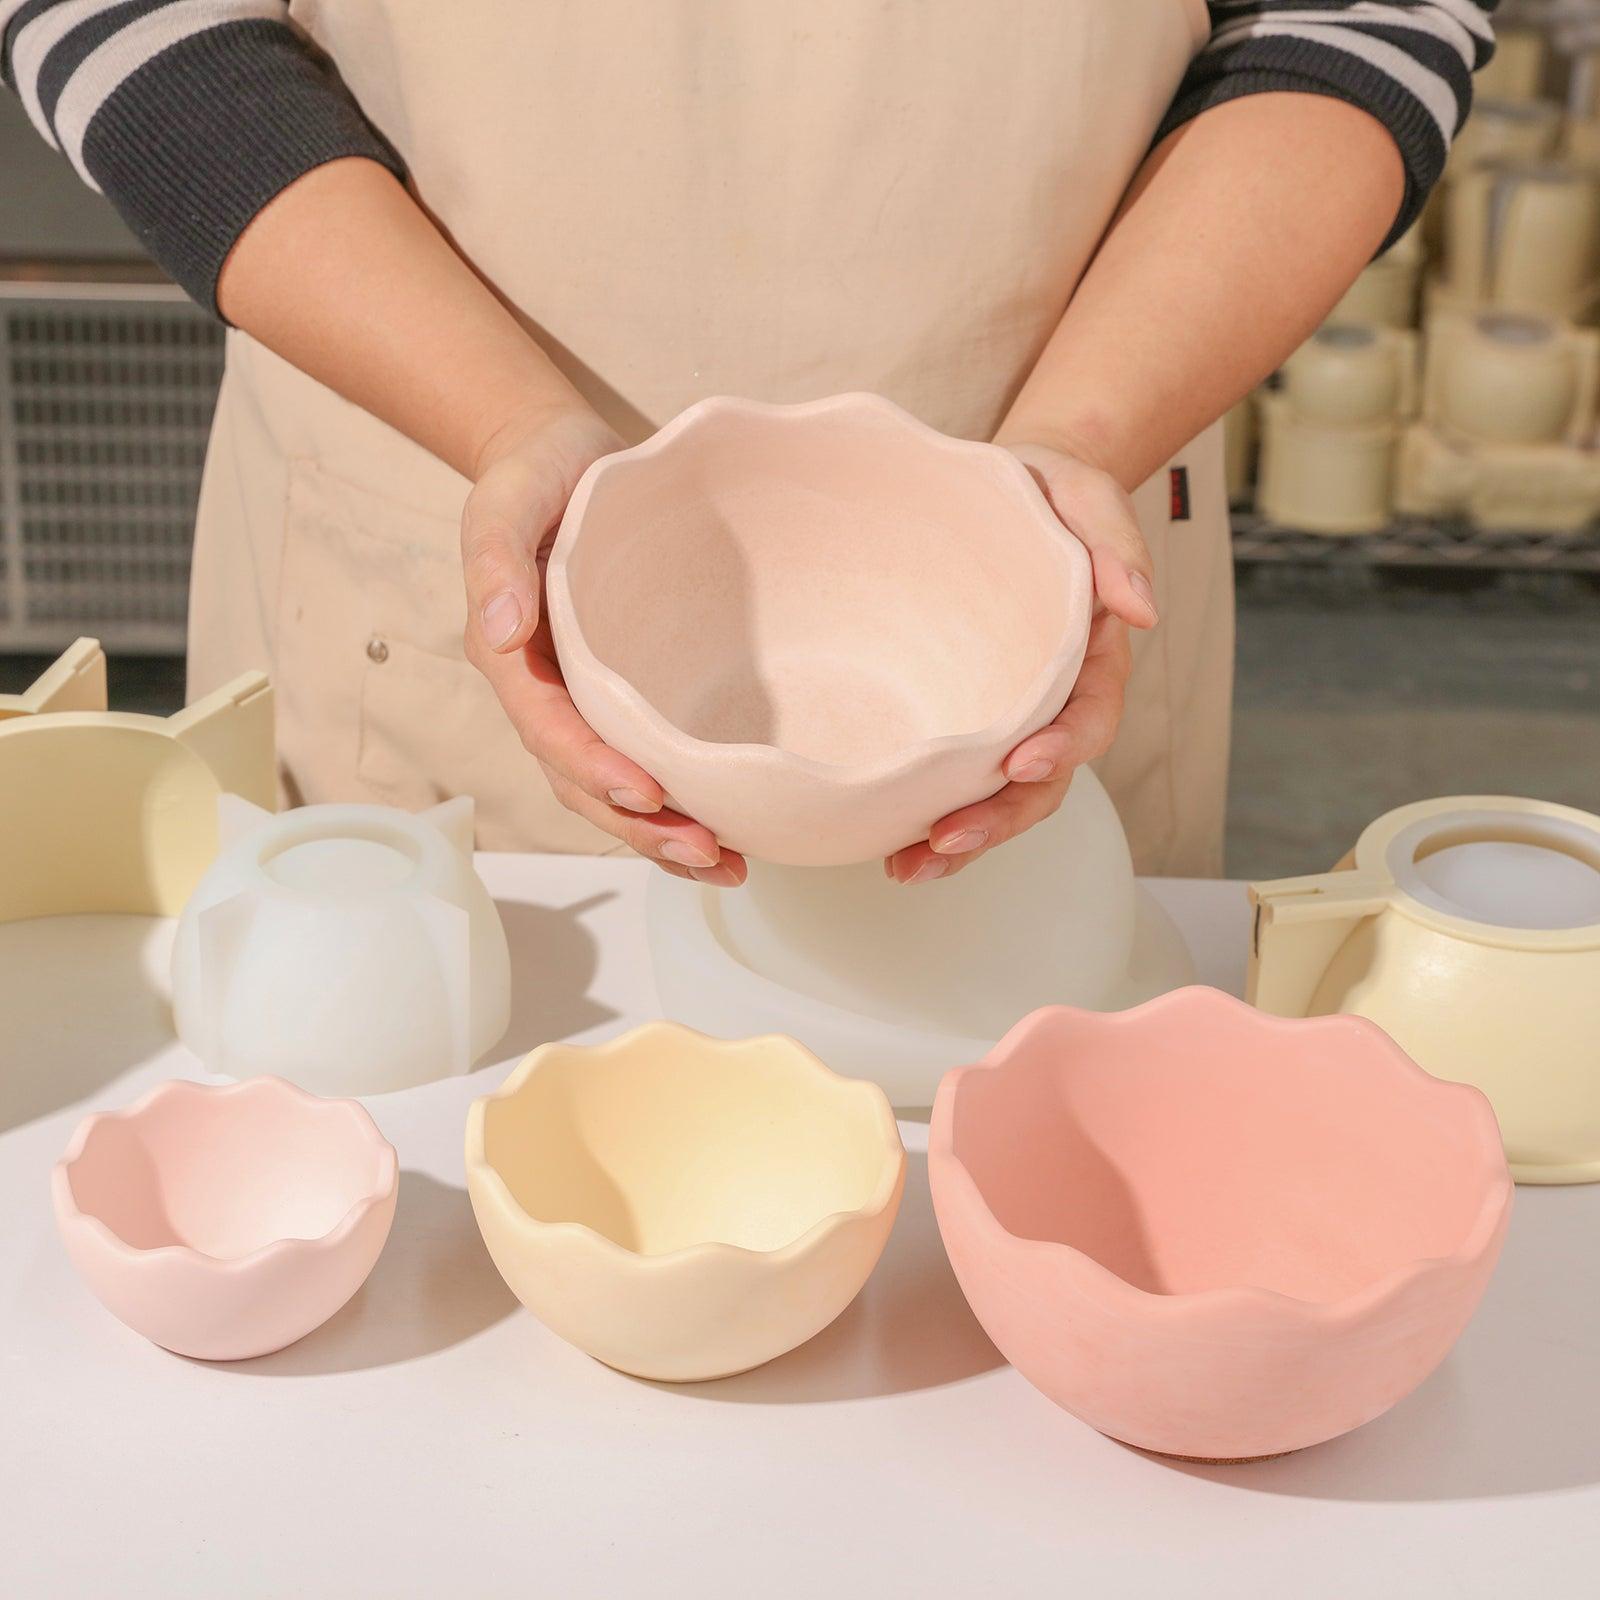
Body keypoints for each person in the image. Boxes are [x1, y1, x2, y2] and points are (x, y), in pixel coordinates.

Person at [4, 1, 1496, 887]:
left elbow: (1359, 20)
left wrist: (1082, 432)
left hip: (1051, 514)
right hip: (434, 491)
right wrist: (506, 416)